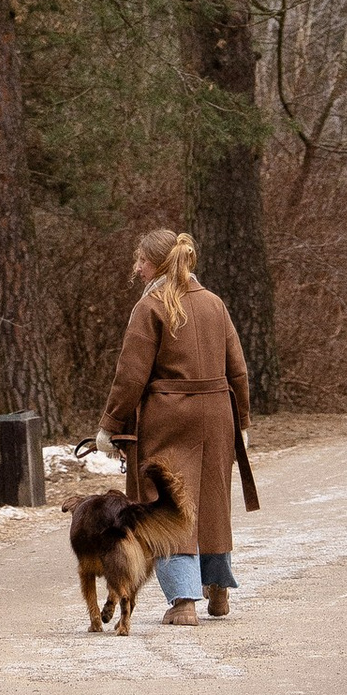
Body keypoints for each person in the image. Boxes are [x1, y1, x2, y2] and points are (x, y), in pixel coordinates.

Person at [100, 225, 250, 625]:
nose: (137, 268)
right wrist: (243, 420)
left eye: (142, 261)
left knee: (163, 502)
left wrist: (110, 424)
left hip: (168, 416)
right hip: (218, 412)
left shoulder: (151, 307)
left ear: (160, 263)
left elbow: (130, 375)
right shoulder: (214, 303)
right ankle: (218, 590)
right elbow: (237, 369)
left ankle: (184, 601)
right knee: (213, 499)